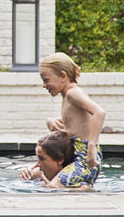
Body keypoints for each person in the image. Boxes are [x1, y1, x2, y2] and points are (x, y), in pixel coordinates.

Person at [38, 52, 106, 188]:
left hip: (85, 158)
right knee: (43, 180)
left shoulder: (73, 93)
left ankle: (83, 188)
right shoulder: (68, 96)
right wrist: (50, 121)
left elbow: (99, 112)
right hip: (78, 156)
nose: (44, 85)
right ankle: (81, 187)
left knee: (54, 186)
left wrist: (91, 147)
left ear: (63, 76)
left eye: (46, 80)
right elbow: (75, 119)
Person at [19, 130, 92, 189]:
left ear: (59, 160)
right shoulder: (38, 174)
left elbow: (86, 189)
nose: (37, 164)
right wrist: (25, 175)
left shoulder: (74, 181)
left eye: (42, 158)